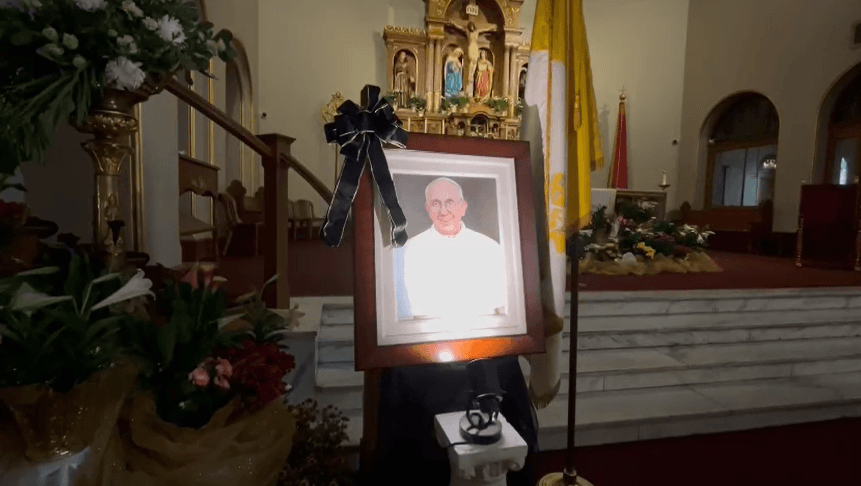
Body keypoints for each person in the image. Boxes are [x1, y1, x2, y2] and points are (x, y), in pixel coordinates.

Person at [400, 177, 506, 318]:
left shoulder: (491, 249)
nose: (443, 211)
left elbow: (502, 309)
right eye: (435, 204)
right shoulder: (409, 251)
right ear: (428, 209)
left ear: (463, 207)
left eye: (450, 202)